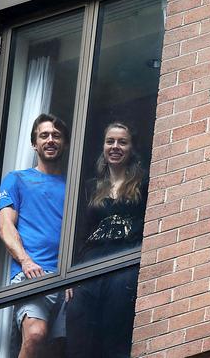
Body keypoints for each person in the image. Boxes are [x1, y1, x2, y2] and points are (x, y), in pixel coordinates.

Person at [66, 122, 149, 358]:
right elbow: (79, 232)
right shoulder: (90, 188)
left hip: (123, 258)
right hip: (90, 263)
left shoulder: (143, 184)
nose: (115, 146)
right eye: (110, 141)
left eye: (122, 142)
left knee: (115, 327)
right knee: (80, 327)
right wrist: (68, 275)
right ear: (103, 146)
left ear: (132, 148)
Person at [0, 113, 70, 358]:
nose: (50, 140)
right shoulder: (17, 179)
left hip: (66, 279)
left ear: (66, 143)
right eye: (44, 135)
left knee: (61, 349)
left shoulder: (73, 186)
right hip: (33, 273)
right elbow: (5, 227)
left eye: (56, 136)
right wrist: (26, 261)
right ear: (34, 143)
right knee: (36, 334)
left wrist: (74, 274)